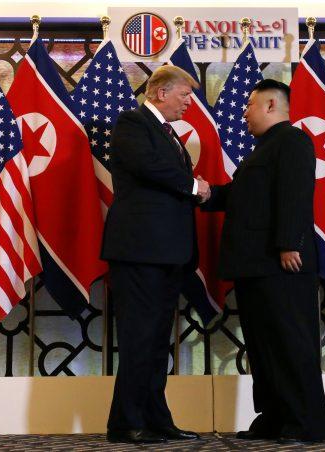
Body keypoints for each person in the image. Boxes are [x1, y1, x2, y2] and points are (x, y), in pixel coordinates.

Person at [202, 79, 325, 444]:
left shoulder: (291, 141)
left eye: (250, 105)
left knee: (290, 343)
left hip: (282, 264)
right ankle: (275, 419)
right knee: (264, 348)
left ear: (272, 105)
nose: (244, 113)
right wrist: (207, 193)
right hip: (256, 266)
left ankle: (305, 424)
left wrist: (289, 243)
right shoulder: (264, 149)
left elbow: (294, 194)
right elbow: (244, 199)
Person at [101, 65, 210, 444]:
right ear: (161, 93)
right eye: (185, 95)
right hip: (139, 251)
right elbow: (149, 167)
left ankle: (155, 418)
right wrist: (194, 185)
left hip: (167, 253)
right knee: (138, 337)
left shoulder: (167, 133)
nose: (189, 103)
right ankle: (125, 422)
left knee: (156, 339)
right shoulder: (131, 122)